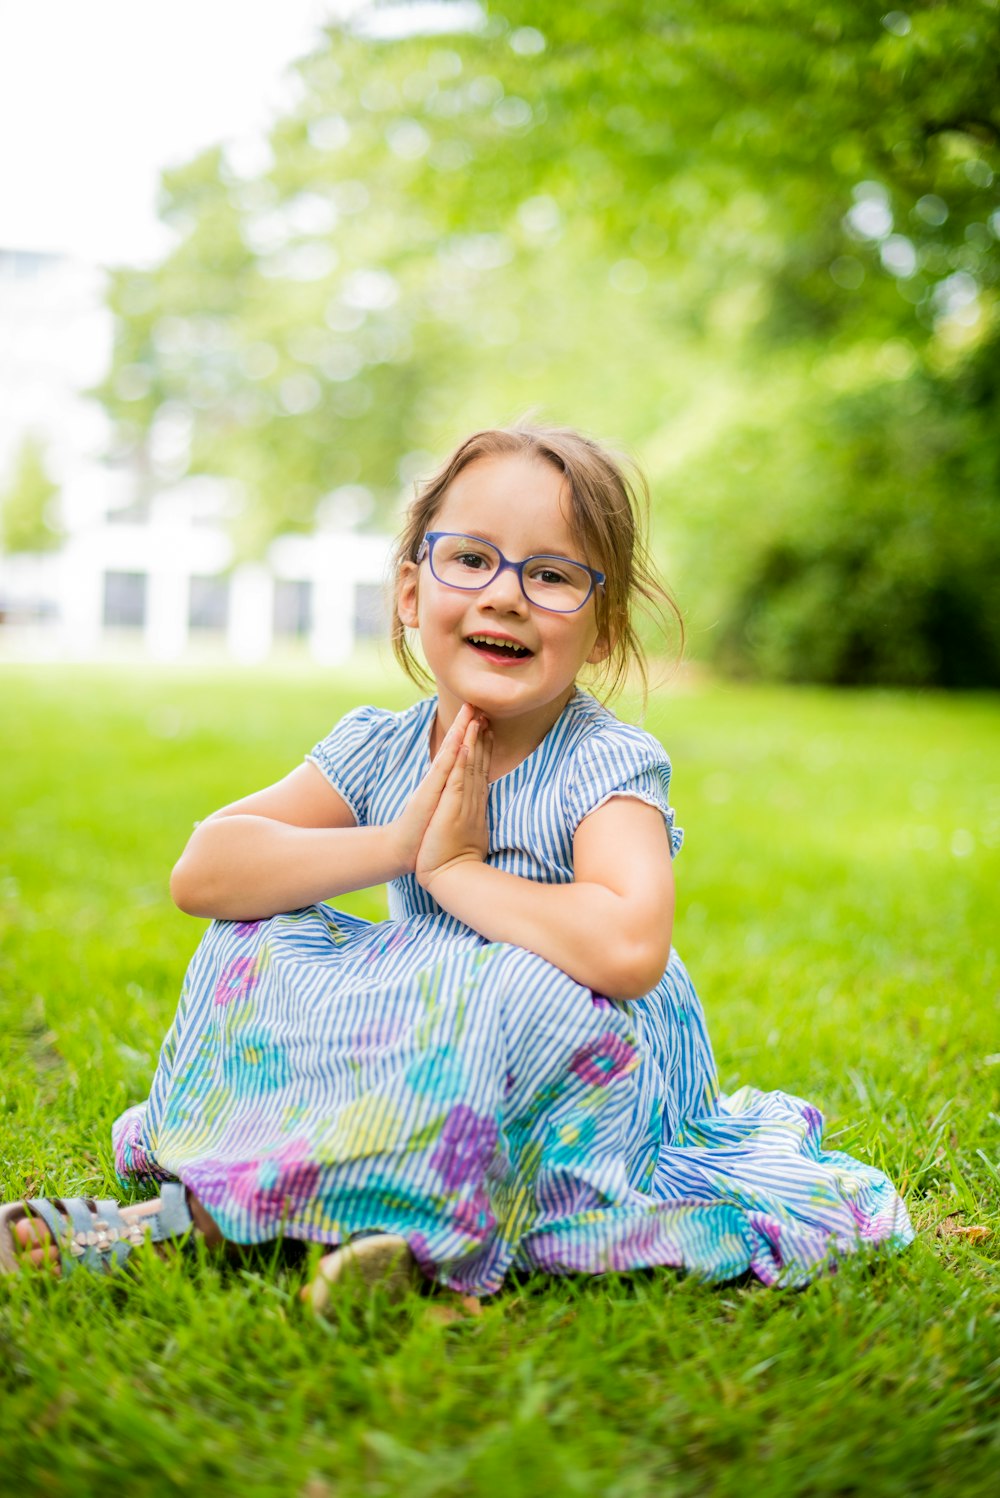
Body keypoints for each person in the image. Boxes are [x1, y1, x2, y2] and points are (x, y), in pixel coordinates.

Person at [1, 423, 914, 1299]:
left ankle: (201, 1221)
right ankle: (378, 1229)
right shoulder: (379, 746)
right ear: (411, 592)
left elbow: (631, 949)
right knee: (256, 938)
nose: (505, 594)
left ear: (600, 629)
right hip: (434, 1025)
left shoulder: (604, 763)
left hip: (579, 1043)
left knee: (518, 991)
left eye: (552, 575)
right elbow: (203, 872)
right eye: (471, 559)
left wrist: (457, 873)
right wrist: (398, 845)